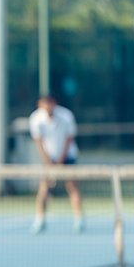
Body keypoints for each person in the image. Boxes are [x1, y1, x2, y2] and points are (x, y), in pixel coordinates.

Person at [28, 95, 83, 234]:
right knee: (44, 188)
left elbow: (69, 138)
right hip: (49, 159)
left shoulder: (66, 116)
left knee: (72, 186)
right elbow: (39, 142)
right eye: (44, 104)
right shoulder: (35, 119)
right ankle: (40, 220)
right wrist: (48, 161)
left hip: (68, 156)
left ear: (55, 103)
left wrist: (60, 160)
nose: (47, 107)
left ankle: (79, 220)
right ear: (39, 104)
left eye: (50, 103)